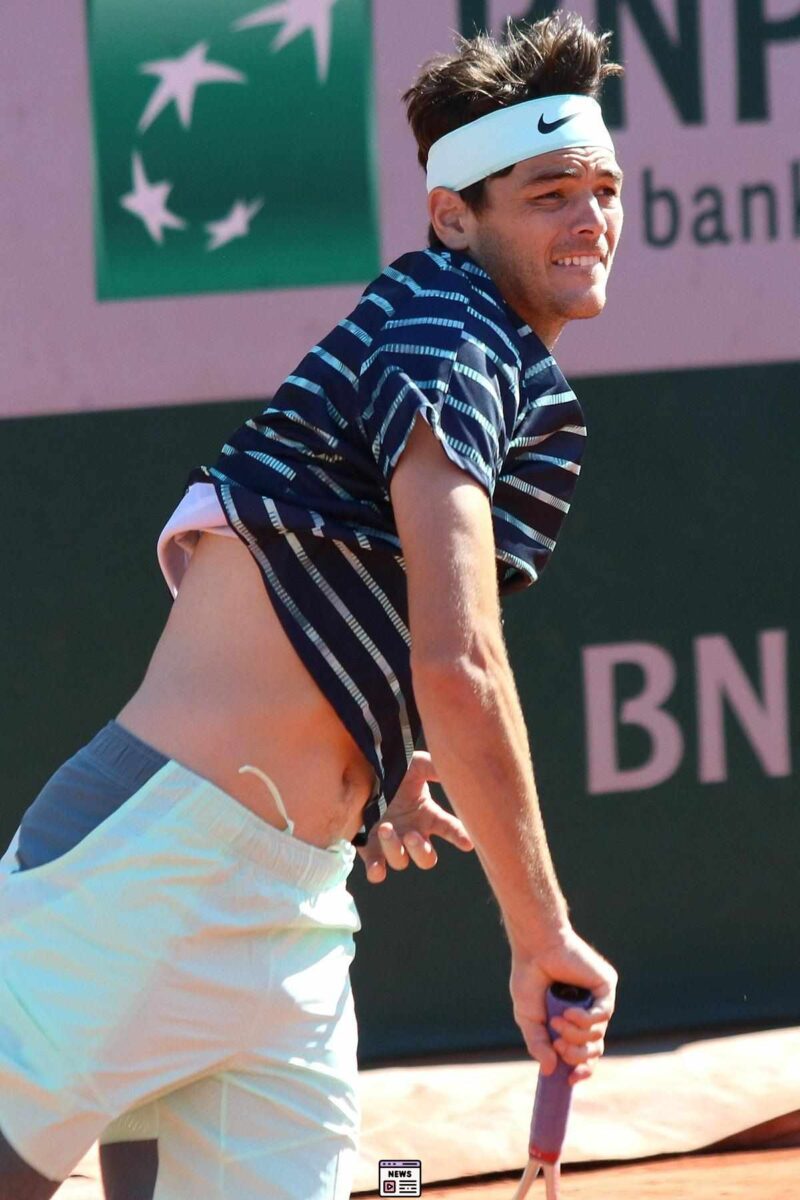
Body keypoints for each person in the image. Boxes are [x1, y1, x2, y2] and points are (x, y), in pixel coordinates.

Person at [0, 12, 623, 1199]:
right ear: (455, 216)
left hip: (287, 908)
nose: (588, 216)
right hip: (150, 874)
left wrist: (370, 757)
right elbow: (461, 664)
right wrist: (538, 931)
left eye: (600, 186)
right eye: (546, 192)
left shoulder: (457, 335)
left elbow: (302, 557)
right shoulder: (449, 323)